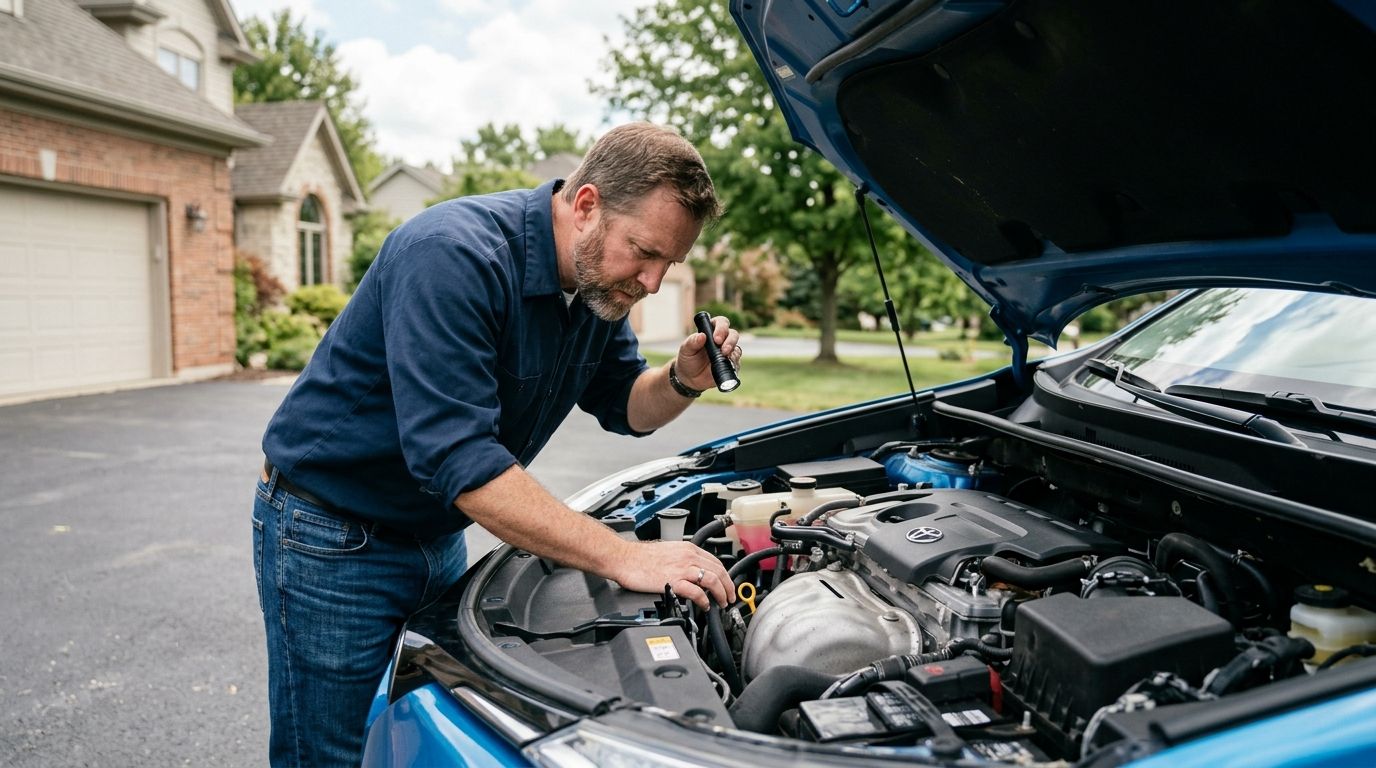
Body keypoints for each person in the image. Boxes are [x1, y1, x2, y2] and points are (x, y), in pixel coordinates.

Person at [252, 123, 741, 766]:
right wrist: (624, 556)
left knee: (417, 731)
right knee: (332, 754)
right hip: (331, 535)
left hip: (436, 533)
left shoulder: (598, 290)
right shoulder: (452, 254)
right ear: (587, 204)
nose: (652, 283)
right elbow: (458, 457)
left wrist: (683, 379)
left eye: (669, 265)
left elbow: (627, 404)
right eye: (644, 252)